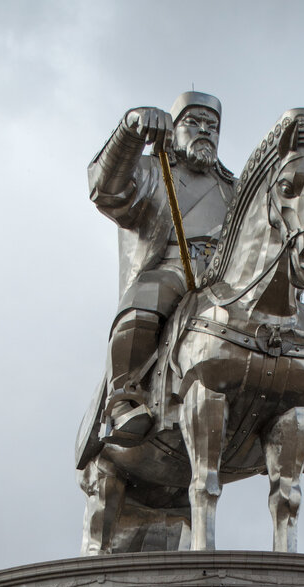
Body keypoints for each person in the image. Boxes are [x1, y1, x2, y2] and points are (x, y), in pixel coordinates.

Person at [87, 91, 237, 446]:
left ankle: (283, 404)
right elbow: (106, 190)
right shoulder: (154, 172)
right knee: (148, 296)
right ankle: (124, 397)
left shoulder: (233, 187)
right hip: (173, 269)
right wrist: (130, 132)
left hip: (224, 278)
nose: (205, 131)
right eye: (194, 123)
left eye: (212, 126)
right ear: (173, 129)